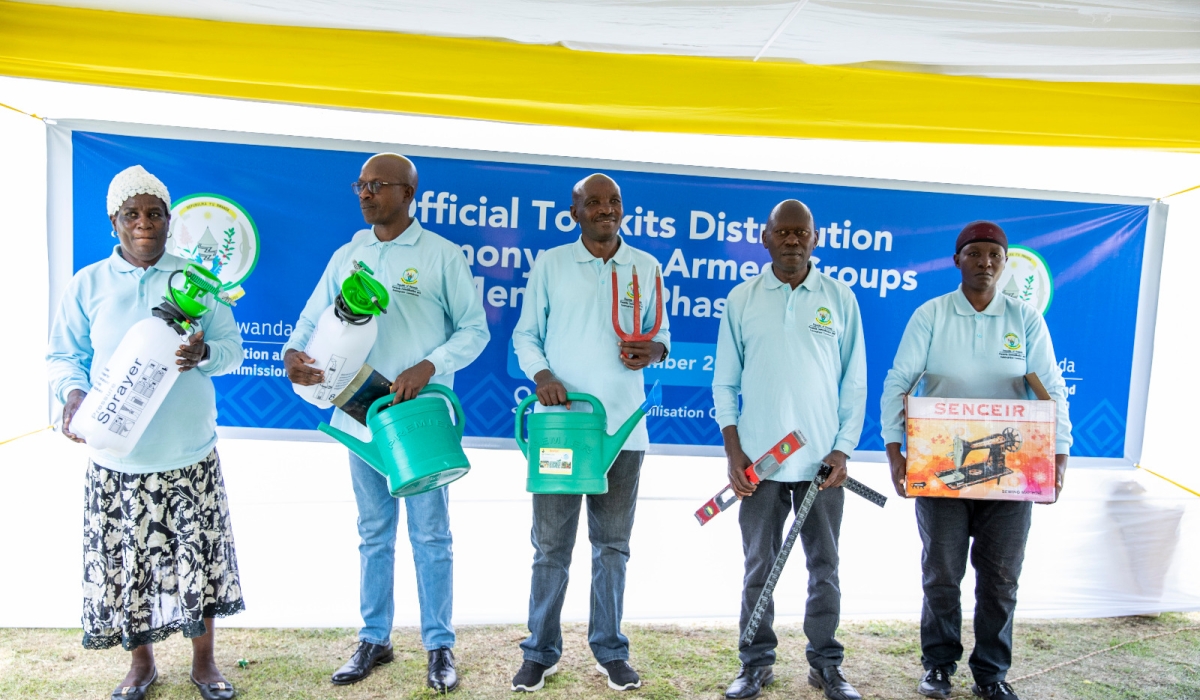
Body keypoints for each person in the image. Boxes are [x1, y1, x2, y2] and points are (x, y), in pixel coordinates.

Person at [284, 153, 489, 694]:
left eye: (377, 185)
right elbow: (311, 318)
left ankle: (439, 645)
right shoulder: (350, 253)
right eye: (361, 185)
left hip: (418, 417)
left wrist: (430, 365)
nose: (365, 193)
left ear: (408, 193)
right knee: (374, 533)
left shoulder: (441, 255)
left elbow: (474, 330)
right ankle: (374, 638)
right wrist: (293, 354)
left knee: (430, 534)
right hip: (360, 411)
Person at [47, 165, 245, 700]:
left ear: (169, 220)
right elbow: (63, 355)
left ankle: (204, 664)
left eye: (154, 213)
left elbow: (232, 351)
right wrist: (72, 394)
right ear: (114, 221)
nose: (144, 223)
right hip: (119, 459)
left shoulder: (199, 283)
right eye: (131, 214)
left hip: (188, 453)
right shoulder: (87, 284)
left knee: (196, 562)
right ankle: (141, 666)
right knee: (130, 569)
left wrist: (204, 353)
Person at [880, 221, 1072, 700]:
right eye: (975, 254)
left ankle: (991, 673)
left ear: (1005, 265)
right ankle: (939, 666)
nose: (985, 263)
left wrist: (1060, 452)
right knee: (942, 573)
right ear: (957, 260)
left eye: (994, 256)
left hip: (1012, 472)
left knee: (1001, 577)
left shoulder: (1025, 319)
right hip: (939, 466)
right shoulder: (932, 315)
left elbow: (1051, 387)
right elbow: (898, 382)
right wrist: (894, 450)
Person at [510, 173, 670, 693]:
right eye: (594, 202)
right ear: (574, 211)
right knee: (551, 546)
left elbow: (661, 336)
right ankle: (539, 651)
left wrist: (655, 351)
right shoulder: (552, 264)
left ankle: (610, 649)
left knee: (613, 546)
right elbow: (525, 335)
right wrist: (542, 376)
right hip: (560, 430)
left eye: (614, 202)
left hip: (623, 431)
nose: (607, 209)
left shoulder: (645, 268)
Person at [713, 199, 867, 700]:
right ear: (766, 238)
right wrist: (734, 452)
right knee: (759, 567)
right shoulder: (742, 298)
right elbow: (724, 383)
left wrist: (843, 449)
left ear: (815, 240)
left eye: (803, 233)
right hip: (760, 465)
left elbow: (855, 382)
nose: (794, 240)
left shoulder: (840, 299)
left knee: (824, 567)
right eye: (784, 233)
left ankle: (826, 665)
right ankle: (755, 663)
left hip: (823, 466)